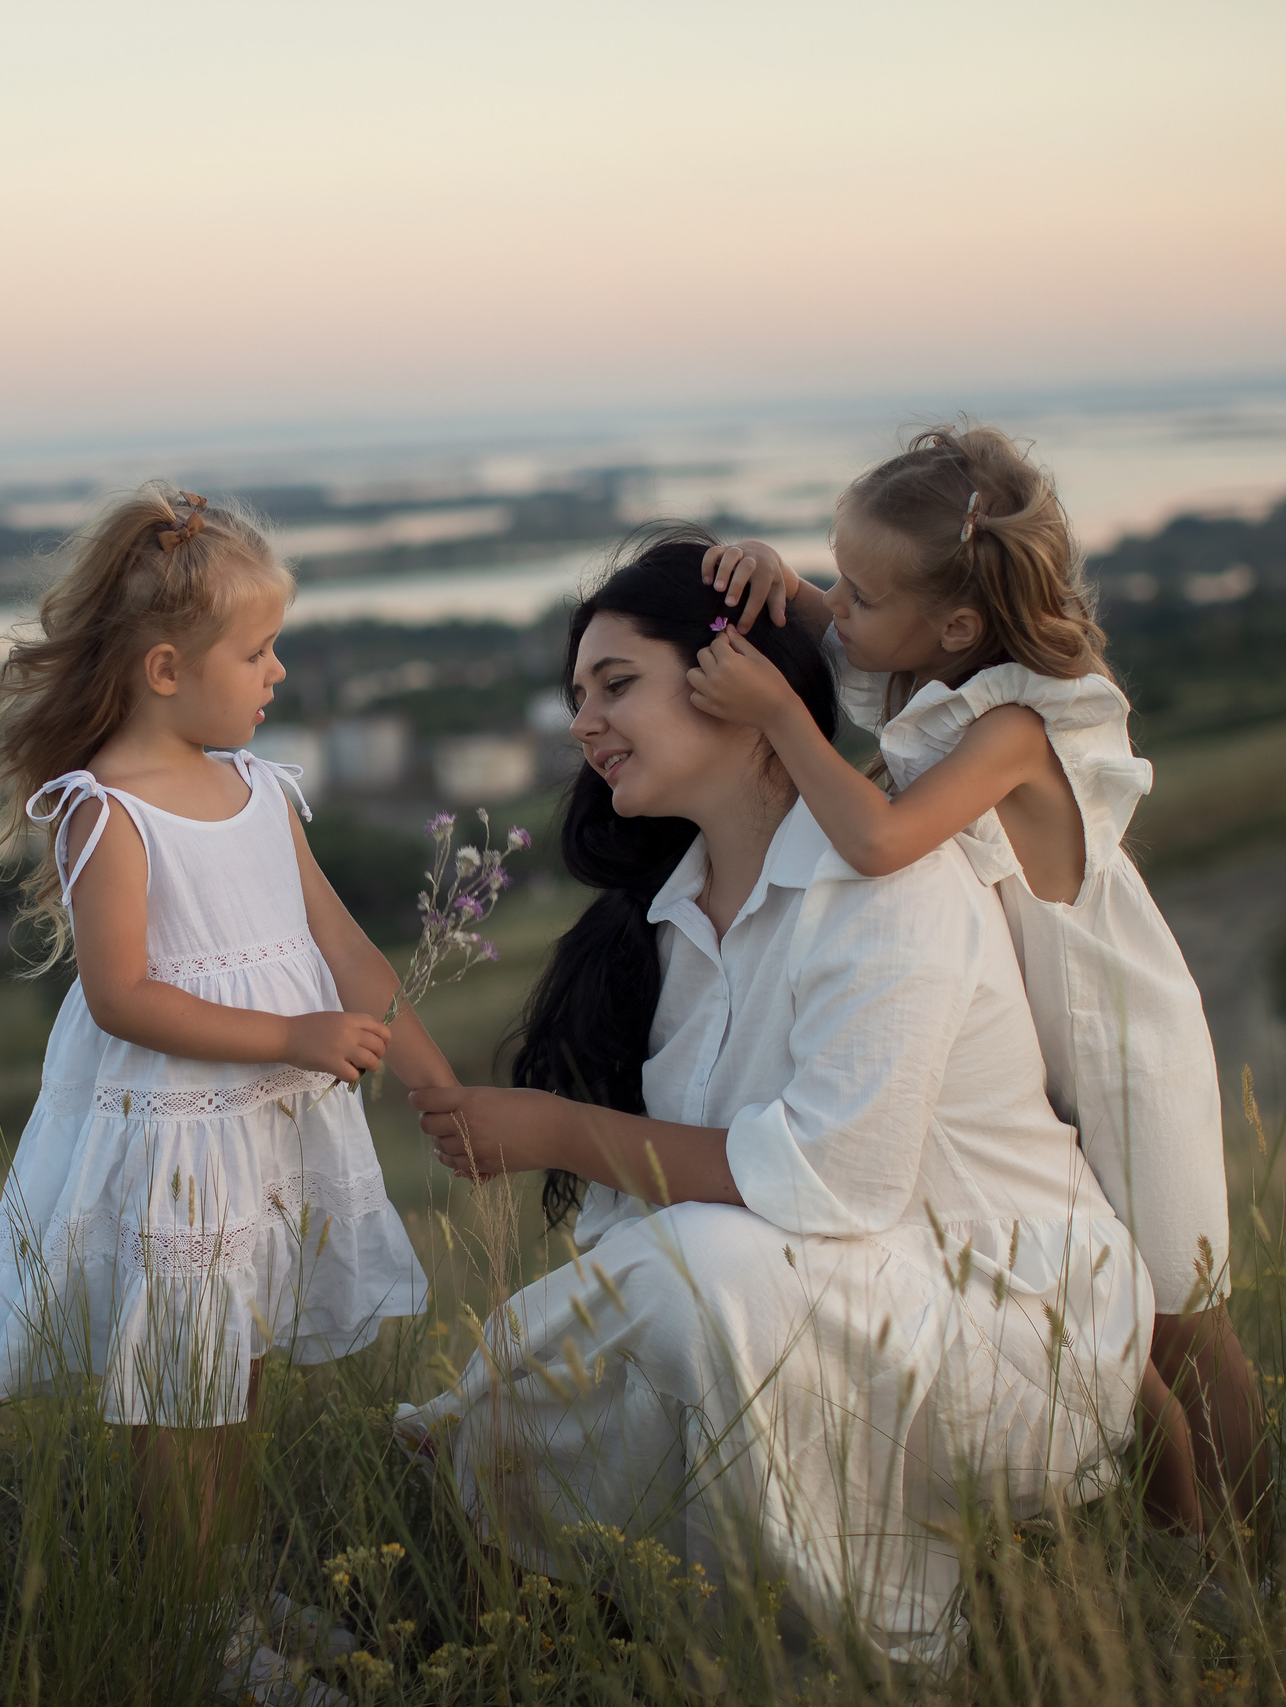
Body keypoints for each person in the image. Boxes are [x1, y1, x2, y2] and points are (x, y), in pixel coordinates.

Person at [402, 529, 1153, 1667]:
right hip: (836, 1305)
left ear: (736, 679)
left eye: (617, 684)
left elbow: (836, 1181)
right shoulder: (671, 922)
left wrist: (561, 1132)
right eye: (576, 697)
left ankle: (868, 1656)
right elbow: (658, 1225)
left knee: (707, 1276)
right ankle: (535, 1620)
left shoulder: (886, 883)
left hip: (1012, 1327)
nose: (585, 723)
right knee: (680, 1285)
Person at [688, 424, 1268, 1546]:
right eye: (835, 576)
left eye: (858, 592)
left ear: (955, 625)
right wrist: (786, 587)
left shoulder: (1011, 727)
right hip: (1044, 1040)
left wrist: (781, 718)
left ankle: (1248, 1548)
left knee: (1178, 1316)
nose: (837, 609)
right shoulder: (944, 673)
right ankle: (1173, 1540)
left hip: (1121, 1046)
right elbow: (861, 635)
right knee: (1101, 1304)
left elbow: (880, 838)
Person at [0, 485, 449, 1686]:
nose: (278, 671)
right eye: (258, 650)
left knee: (238, 1375)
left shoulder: (262, 790)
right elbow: (123, 994)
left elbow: (345, 946)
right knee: (179, 1394)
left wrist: (436, 1083)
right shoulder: (105, 812)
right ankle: (190, 1625)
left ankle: (225, 1589)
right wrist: (290, 1035)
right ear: (166, 669)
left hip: (260, 1138)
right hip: (178, 1143)